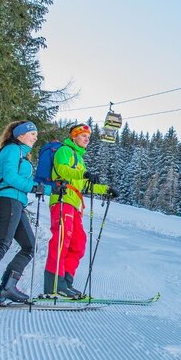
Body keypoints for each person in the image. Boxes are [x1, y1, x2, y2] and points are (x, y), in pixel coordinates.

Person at [0, 120, 51, 305]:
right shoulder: (12, 149)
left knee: (29, 246)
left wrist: (46, 189)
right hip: (7, 199)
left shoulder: (21, 153)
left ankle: (8, 287)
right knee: (2, 243)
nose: (35, 137)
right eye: (32, 133)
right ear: (20, 135)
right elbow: (10, 176)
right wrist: (36, 188)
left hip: (16, 202)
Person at [44, 123, 118, 299]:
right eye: (83, 135)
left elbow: (83, 184)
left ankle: (66, 282)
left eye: (88, 137)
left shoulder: (79, 158)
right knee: (62, 240)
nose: (87, 139)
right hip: (62, 199)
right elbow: (62, 169)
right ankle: (55, 283)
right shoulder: (64, 151)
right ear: (74, 136)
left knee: (78, 242)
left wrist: (106, 189)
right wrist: (82, 175)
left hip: (75, 203)